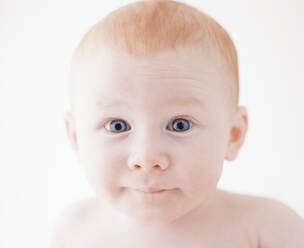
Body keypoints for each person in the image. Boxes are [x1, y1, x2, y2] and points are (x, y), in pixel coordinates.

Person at [50, 0, 304, 247]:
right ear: (76, 139)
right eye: (117, 125)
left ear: (233, 135)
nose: (147, 157)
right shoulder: (75, 232)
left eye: (180, 124)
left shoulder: (266, 230)